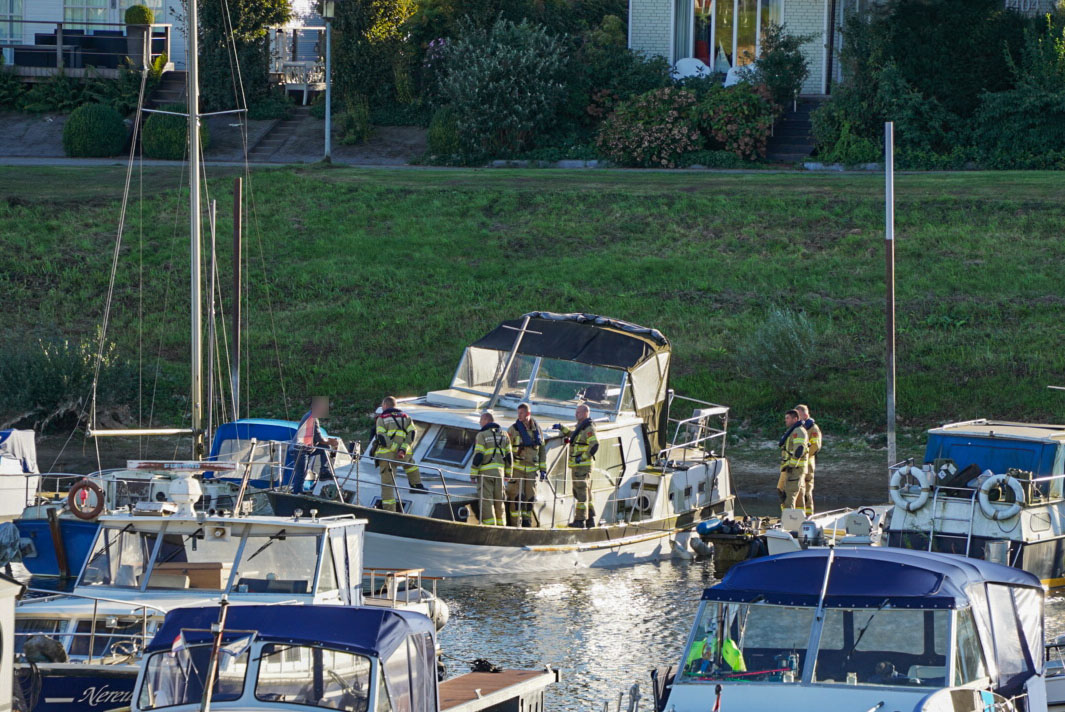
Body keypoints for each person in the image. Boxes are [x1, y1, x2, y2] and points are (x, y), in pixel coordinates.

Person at [374, 396, 426, 513]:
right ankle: (417, 486)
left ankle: (389, 511)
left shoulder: (382, 419)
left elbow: (382, 437)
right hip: (403, 455)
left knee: (388, 484)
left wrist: (395, 448)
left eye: (382, 405)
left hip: (387, 457)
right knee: (411, 465)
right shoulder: (406, 417)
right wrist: (402, 450)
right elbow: (412, 434)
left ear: (385, 405)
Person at [555, 404, 599, 528]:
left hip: (582, 466)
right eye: (576, 412)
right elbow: (573, 435)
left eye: (578, 412)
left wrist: (582, 457)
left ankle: (580, 520)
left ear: (585, 413)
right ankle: (590, 519)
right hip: (578, 466)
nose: (576, 414)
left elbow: (595, 445)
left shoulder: (589, 428)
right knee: (586, 492)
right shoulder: (581, 427)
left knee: (581, 493)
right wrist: (562, 428)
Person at [507, 403, 546, 527]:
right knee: (516, 499)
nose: (519, 415)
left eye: (521, 413)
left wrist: (543, 469)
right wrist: (507, 470)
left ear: (528, 414)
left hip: (531, 472)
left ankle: (526, 522)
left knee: (530, 499)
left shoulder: (538, 430)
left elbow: (542, 450)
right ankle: (514, 524)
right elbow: (506, 450)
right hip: (516, 471)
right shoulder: (513, 429)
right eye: (518, 413)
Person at [290, 396, 339, 496]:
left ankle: (324, 471)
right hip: (300, 449)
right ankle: (297, 492)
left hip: (306, 448)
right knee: (301, 472)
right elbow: (318, 438)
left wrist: (327, 443)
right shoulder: (313, 418)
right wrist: (331, 442)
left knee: (324, 448)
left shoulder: (309, 416)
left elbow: (316, 438)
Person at [471, 410, 512, 526]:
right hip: (500, 474)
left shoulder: (482, 435)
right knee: (499, 502)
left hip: (486, 474)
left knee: (486, 502)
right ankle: (501, 527)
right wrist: (508, 474)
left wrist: (473, 475)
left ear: (486, 420)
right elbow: (509, 457)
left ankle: (490, 527)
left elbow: (478, 456)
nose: (480, 422)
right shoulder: (505, 435)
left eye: (481, 420)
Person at [777, 409, 809, 511]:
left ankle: (789, 518)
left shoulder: (798, 431)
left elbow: (799, 450)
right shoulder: (794, 430)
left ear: (795, 419)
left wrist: (791, 465)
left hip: (794, 469)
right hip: (794, 469)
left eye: (788, 418)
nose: (785, 420)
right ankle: (799, 517)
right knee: (798, 496)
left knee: (789, 496)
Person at [795, 404, 822, 516]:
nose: (797, 418)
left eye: (798, 415)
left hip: (808, 464)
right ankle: (799, 515)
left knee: (807, 491)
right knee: (798, 490)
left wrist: (803, 455)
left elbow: (815, 446)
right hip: (799, 464)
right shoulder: (799, 428)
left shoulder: (813, 428)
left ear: (805, 415)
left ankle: (809, 515)